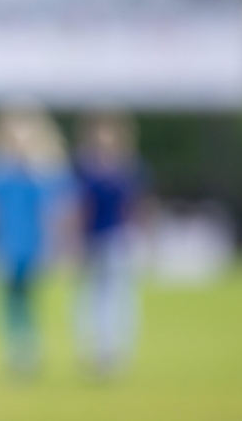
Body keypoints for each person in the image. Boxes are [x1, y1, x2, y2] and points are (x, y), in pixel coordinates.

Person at [0, 105, 70, 376]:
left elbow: (54, 209)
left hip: (33, 246)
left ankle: (28, 349)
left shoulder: (44, 171)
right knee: (10, 301)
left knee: (28, 300)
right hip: (6, 245)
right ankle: (16, 349)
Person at [73, 112, 147, 379]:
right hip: (92, 240)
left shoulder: (127, 169)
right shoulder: (86, 169)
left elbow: (134, 207)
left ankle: (115, 350)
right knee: (91, 297)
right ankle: (94, 349)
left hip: (117, 238)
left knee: (118, 296)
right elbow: (81, 208)